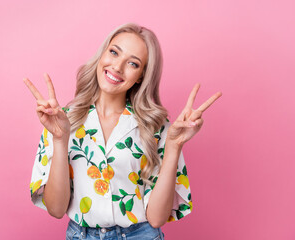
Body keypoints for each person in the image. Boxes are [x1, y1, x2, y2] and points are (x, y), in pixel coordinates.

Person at [24, 23, 222, 240]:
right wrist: (60, 140)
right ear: (102, 54)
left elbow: (157, 219)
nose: (117, 67)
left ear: (140, 76)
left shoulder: (157, 128)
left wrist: (174, 146)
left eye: (133, 63)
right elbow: (56, 209)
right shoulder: (61, 121)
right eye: (114, 52)